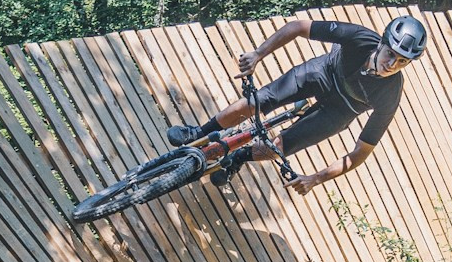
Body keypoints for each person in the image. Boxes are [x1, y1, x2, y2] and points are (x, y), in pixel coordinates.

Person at [167, 14, 428, 193]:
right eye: (391, 54)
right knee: (256, 102)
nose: (392, 64)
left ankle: (240, 157)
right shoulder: (359, 37)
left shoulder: (390, 93)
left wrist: (315, 179)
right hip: (323, 74)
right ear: (381, 43)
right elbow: (299, 27)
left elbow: (359, 154)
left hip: (341, 110)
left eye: (402, 61)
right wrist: (258, 54)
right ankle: (199, 133)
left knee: (279, 147)